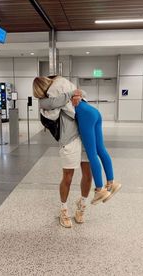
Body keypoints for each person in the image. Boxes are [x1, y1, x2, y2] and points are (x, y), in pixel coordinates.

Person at [33, 76, 121, 205]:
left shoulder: (52, 91)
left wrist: (65, 98)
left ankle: (99, 190)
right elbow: (81, 92)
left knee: (91, 154)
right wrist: (74, 93)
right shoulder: (63, 81)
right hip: (94, 112)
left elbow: (51, 108)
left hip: (85, 116)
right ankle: (111, 182)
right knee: (101, 149)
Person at [34, 80, 92, 228]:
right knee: (68, 176)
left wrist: (78, 95)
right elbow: (50, 104)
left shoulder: (66, 92)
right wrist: (72, 94)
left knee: (88, 174)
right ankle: (64, 210)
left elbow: (83, 93)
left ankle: (82, 206)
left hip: (86, 135)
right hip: (69, 139)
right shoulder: (46, 101)